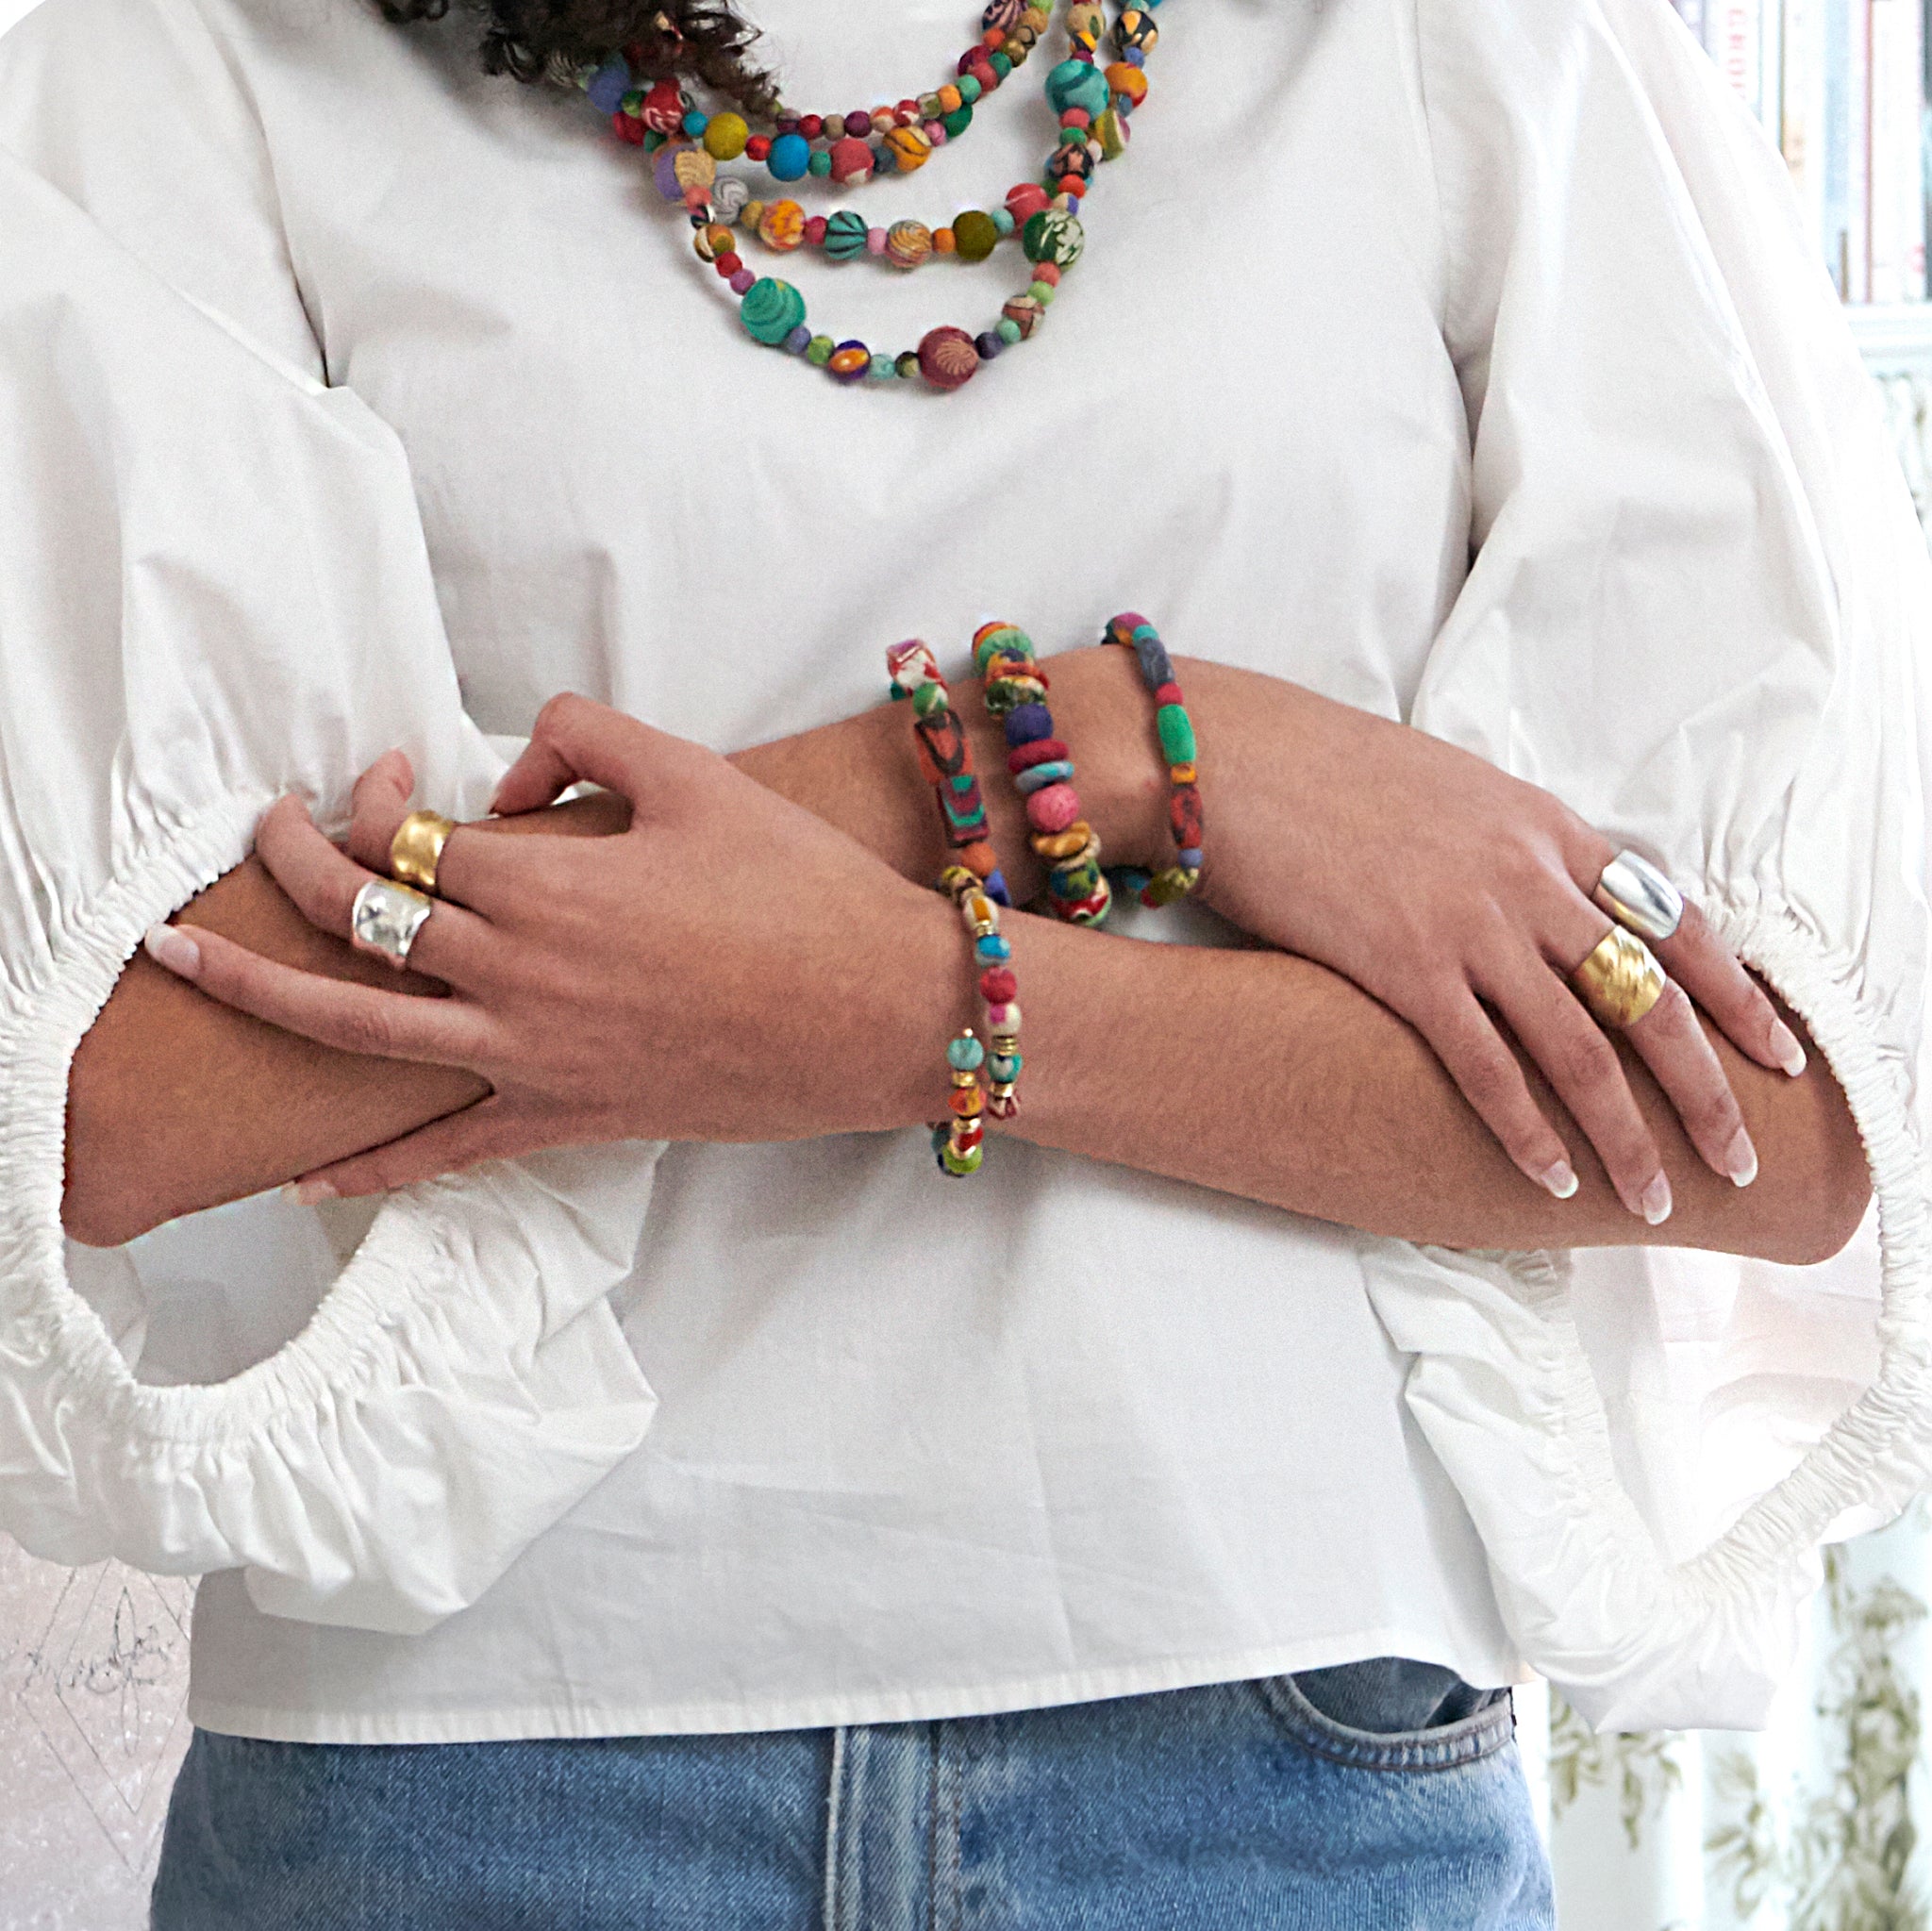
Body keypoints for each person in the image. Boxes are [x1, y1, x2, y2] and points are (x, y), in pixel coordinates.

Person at [0, 0, 1922, 1922]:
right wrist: (1111, 753)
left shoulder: (1460, 41)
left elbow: (1779, 1118)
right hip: (471, 1784)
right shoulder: (193, 49)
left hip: (1277, 1772)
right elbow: (129, 1093)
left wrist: (913, 1008)